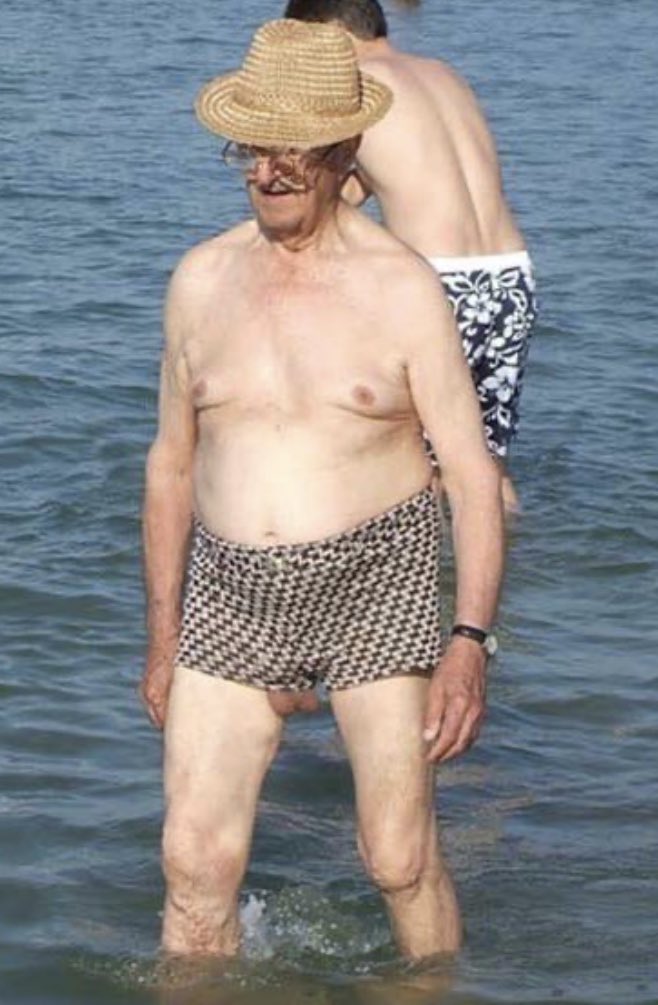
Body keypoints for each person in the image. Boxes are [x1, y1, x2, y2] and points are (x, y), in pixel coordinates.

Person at [140, 18, 504, 961]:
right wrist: (163, 637)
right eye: (253, 148)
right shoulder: (200, 281)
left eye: (294, 150)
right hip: (228, 592)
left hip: (376, 581)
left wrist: (469, 643)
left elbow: (471, 474)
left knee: (398, 857)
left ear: (345, 151)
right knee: (193, 861)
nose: (270, 172)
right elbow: (171, 465)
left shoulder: (402, 288)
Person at [284, 0, 538, 513]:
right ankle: (514, 555)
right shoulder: (444, 74)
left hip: (438, 285)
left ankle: (410, 556)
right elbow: (408, 172)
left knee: (413, 456)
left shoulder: (354, 89)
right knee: (485, 461)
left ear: (326, 35)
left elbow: (322, 204)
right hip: (510, 276)